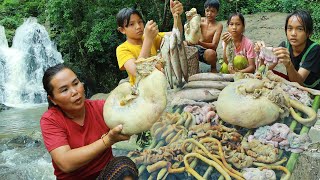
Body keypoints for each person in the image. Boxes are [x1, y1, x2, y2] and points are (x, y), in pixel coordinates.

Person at [40, 63, 131, 180]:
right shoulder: (50, 120)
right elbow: (65, 163)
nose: (74, 91)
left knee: (124, 167)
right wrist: (108, 140)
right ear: (52, 99)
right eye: (64, 90)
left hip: (105, 175)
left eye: (76, 83)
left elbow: (130, 115)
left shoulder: (101, 108)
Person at [116, 0, 184, 85]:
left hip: (159, 84)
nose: (138, 27)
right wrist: (148, 39)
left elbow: (176, 35)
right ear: (122, 30)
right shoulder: (122, 49)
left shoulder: (150, 37)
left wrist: (176, 17)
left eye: (140, 22)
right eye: (131, 24)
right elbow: (137, 72)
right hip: (141, 91)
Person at [255, 10, 320, 90]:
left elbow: (299, 82)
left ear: (309, 33)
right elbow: (265, 70)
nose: (293, 33)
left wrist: (289, 65)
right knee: (270, 74)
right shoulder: (285, 45)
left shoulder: (314, 49)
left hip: (311, 88)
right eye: (289, 28)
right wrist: (262, 53)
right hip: (293, 82)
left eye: (299, 29)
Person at [187, 0, 223, 73]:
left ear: (217, 12)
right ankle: (191, 67)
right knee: (183, 44)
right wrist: (189, 20)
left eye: (212, 11)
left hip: (207, 51)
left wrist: (199, 43)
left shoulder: (218, 25)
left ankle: (213, 67)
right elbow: (190, 30)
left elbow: (214, 46)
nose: (209, 13)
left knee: (211, 53)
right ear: (205, 11)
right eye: (207, 11)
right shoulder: (199, 20)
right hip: (195, 47)